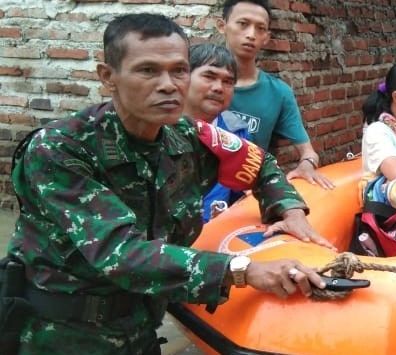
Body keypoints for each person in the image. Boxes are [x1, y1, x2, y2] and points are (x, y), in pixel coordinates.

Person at [4, 14, 333, 355]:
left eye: (178, 70)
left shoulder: (187, 136)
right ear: (108, 77)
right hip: (63, 337)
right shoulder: (60, 149)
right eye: (148, 71)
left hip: (141, 328)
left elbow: (259, 163)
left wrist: (289, 209)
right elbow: (122, 255)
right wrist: (243, 270)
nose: (168, 84)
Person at [217, 0, 334, 189]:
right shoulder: (195, 81)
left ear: (267, 37)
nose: (251, 34)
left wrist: (307, 165)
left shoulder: (278, 92)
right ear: (222, 26)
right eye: (243, 24)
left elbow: (309, 152)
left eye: (260, 28)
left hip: (248, 198)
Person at [182, 43, 248, 222]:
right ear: (184, 77)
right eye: (209, 76)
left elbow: (242, 194)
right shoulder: (157, 130)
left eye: (228, 81)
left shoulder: (236, 133)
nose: (219, 88)